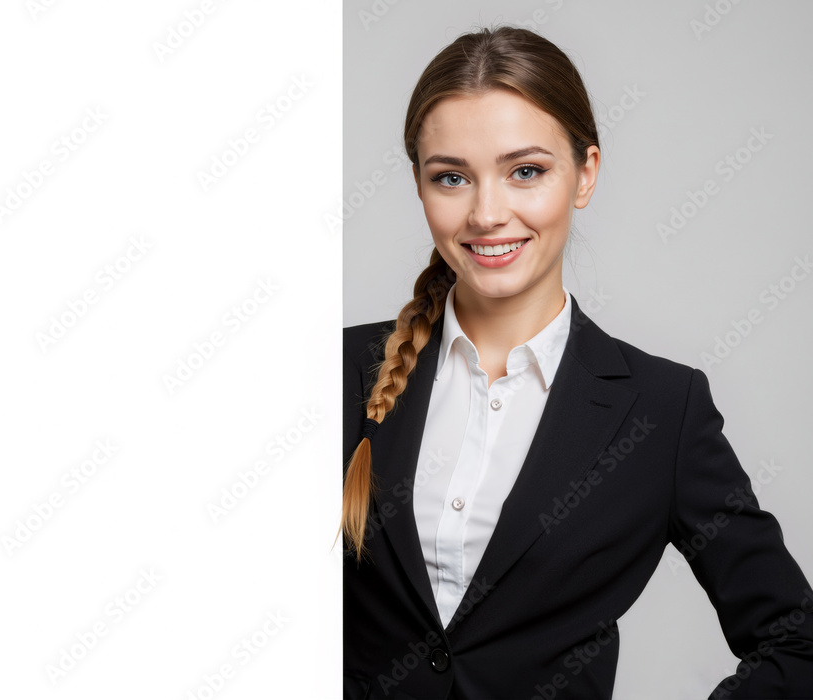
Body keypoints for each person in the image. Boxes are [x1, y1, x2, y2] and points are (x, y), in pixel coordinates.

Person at [340, 25, 813, 700]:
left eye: (525, 171)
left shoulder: (660, 411)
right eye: (451, 177)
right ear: (419, 184)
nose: (487, 213)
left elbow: (797, 644)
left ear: (585, 173)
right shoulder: (336, 372)